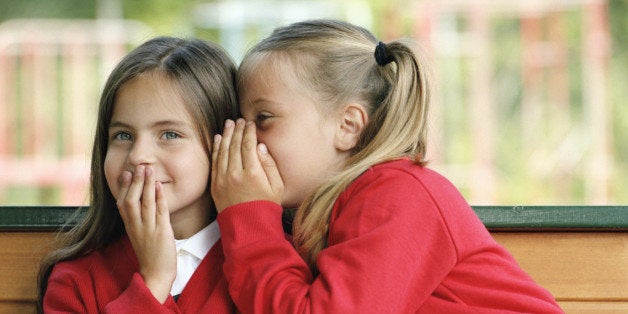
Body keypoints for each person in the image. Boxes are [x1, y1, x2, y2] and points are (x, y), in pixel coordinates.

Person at [210, 19, 564, 313]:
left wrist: (248, 216)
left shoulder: (398, 194)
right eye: (240, 120)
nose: (244, 138)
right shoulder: (323, 212)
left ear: (347, 126)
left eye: (264, 118)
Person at [37, 36, 239, 313]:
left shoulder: (265, 264)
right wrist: (153, 282)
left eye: (170, 134)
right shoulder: (75, 281)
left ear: (225, 141)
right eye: (123, 135)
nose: (137, 155)